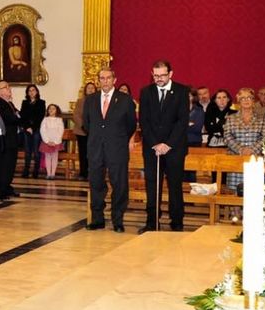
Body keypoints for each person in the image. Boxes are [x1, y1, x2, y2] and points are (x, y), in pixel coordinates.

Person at [138, 59, 191, 233]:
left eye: (162, 75)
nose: (159, 79)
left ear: (170, 74)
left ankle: (177, 222)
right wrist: (155, 143)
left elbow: (182, 121)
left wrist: (168, 144)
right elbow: (144, 121)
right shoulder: (146, 92)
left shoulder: (182, 91)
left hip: (174, 148)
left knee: (175, 186)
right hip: (152, 148)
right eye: (156, 76)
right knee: (152, 185)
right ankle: (152, 222)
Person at [81, 68, 136, 232]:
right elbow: (86, 124)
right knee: (96, 183)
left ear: (114, 79)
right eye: (102, 78)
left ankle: (117, 220)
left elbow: (131, 125)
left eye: (108, 78)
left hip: (117, 149)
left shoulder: (125, 100)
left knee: (119, 185)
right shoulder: (90, 100)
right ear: (98, 80)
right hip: (95, 148)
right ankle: (97, 219)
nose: (105, 81)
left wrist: (117, 138)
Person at [223, 87, 265, 192]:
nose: (246, 100)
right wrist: (241, 149)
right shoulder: (231, 118)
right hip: (236, 159)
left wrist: (251, 150)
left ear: (253, 100)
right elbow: (227, 137)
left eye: (249, 97)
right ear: (238, 101)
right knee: (235, 193)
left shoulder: (262, 118)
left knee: (254, 191)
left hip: (255, 159)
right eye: (243, 98)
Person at [0, 82, 22, 198]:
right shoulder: (0, 103)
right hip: (6, 139)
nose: (9, 89)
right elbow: (11, 119)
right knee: (5, 166)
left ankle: (7, 186)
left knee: (11, 166)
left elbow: (19, 116)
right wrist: (17, 117)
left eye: (8, 87)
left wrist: (18, 117)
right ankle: (2, 188)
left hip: (13, 139)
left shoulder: (10, 103)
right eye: (5, 87)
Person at [20, 84, 46, 178]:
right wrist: (27, 127)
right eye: (29, 91)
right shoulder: (24, 102)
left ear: (37, 92)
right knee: (27, 151)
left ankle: (36, 171)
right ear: (27, 93)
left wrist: (33, 128)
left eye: (33, 90)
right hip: (27, 129)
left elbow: (40, 116)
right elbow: (23, 116)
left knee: (36, 151)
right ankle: (26, 170)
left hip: (36, 129)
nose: (31, 92)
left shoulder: (41, 102)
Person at [75, 81, 97, 179]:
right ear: (85, 90)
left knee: (93, 153)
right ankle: (83, 173)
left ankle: (92, 173)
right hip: (82, 131)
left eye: (92, 88)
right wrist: (83, 126)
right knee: (83, 153)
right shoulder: (80, 101)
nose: (91, 90)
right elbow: (76, 115)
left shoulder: (99, 101)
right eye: (89, 88)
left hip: (94, 132)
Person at [39, 103, 65, 180]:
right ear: (47, 110)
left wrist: (55, 141)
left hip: (56, 142)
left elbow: (61, 131)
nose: (51, 110)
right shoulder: (45, 119)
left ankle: (53, 174)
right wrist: (47, 141)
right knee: (47, 157)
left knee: (54, 157)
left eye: (53, 108)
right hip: (47, 141)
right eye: (49, 108)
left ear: (56, 110)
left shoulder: (59, 120)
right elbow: (42, 130)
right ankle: (48, 173)